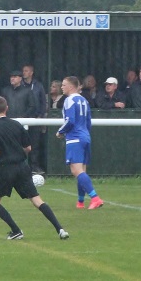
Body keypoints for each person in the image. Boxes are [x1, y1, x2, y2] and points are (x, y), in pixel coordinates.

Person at [0, 95, 69, 241]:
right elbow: (28, 148)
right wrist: (17, 153)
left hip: (6, 169)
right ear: (7, 108)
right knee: (37, 200)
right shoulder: (17, 125)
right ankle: (60, 229)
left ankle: (16, 231)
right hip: (22, 167)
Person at [57, 75, 104, 209]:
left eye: (64, 85)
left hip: (75, 138)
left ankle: (95, 198)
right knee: (82, 171)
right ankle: (80, 202)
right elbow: (88, 121)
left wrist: (60, 131)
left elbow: (70, 121)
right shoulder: (84, 100)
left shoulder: (69, 100)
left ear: (71, 86)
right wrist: (86, 134)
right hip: (85, 136)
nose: (62, 87)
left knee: (76, 170)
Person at [22, 64, 49, 172]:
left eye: (26, 71)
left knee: (35, 144)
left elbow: (43, 102)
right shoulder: (21, 85)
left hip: (35, 119)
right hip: (23, 119)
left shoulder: (38, 85)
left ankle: (34, 166)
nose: (24, 73)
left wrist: (40, 115)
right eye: (23, 71)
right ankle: (22, 166)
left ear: (31, 72)